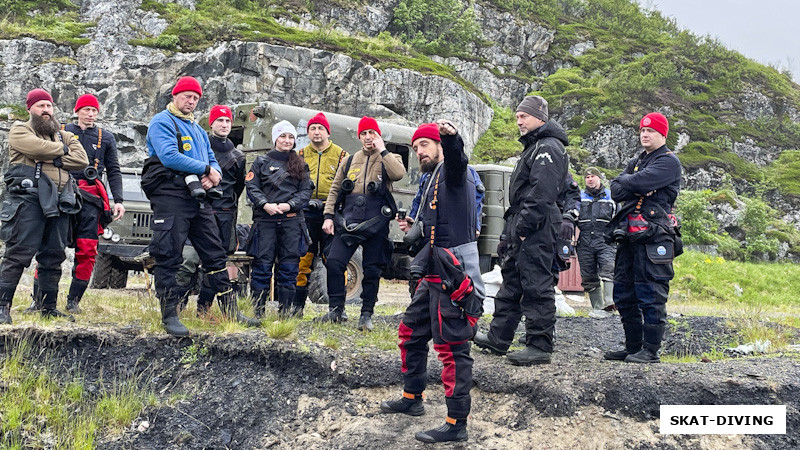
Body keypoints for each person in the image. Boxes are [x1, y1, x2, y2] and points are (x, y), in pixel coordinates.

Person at [380, 121, 483, 443]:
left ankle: (456, 424)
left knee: (452, 348)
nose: (420, 151)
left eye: (426, 144)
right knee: (410, 331)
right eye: (416, 147)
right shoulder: (430, 178)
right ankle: (412, 399)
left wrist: (452, 139)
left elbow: (458, 160)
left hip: (455, 275)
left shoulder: (455, 172)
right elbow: (433, 230)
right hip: (434, 271)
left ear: (439, 146)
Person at [142, 76, 259, 336]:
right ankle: (169, 314)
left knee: (215, 253)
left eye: (195, 98)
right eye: (187, 96)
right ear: (175, 96)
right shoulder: (162, 121)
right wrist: (206, 169)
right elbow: (170, 156)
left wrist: (212, 174)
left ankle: (231, 312)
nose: (191, 101)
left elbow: (210, 158)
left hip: (197, 198)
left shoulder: (196, 128)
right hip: (170, 193)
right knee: (169, 254)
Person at [473, 95, 569, 365]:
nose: (519, 121)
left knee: (536, 283)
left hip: (537, 224)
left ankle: (539, 345)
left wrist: (524, 227)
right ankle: (498, 338)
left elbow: (542, 193)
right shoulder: (534, 147)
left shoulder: (548, 147)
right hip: (524, 221)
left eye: (523, 116)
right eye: (517, 117)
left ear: (540, 117)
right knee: (512, 280)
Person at [0, 88, 88, 324]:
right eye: (41, 106)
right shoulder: (20, 130)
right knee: (18, 253)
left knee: (53, 255)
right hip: (28, 199)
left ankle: (47, 306)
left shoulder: (63, 135)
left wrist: (54, 156)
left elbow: (82, 159)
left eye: (49, 106)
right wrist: (62, 152)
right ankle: (2, 306)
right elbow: (36, 148)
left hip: (61, 201)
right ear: (30, 109)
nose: (46, 110)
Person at [603, 112, 682, 363]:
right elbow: (616, 190)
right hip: (628, 236)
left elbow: (634, 183)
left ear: (662, 134)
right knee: (624, 292)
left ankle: (651, 350)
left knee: (651, 292)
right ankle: (633, 347)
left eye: (651, 131)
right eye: (642, 131)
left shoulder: (669, 162)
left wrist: (631, 182)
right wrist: (631, 181)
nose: (645, 135)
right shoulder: (637, 161)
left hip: (655, 237)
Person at [317, 116, 406, 330]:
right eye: (364, 133)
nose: (368, 137)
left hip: (376, 222)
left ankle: (366, 314)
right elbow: (335, 190)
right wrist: (328, 216)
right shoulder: (348, 161)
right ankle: (336, 310)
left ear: (378, 135)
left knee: (372, 269)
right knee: (335, 262)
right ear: (359, 137)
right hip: (348, 220)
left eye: (372, 133)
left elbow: (399, 174)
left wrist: (382, 150)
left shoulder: (390, 157)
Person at [175, 104, 247, 315]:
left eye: (227, 121)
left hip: (225, 216)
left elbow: (238, 188)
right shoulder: (199, 147)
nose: (224, 125)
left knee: (215, 266)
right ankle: (177, 308)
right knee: (187, 261)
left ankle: (203, 309)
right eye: (220, 121)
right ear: (212, 123)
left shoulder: (238, 157)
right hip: (197, 210)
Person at [59, 94, 125, 313]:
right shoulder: (61, 131)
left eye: (94, 110)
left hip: (91, 200)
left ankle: (73, 301)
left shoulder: (105, 137)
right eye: (86, 109)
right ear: (77, 111)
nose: (90, 114)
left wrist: (119, 200)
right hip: (61, 195)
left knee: (87, 249)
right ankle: (41, 300)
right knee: (52, 246)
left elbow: (114, 170)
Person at [245, 120, 313, 318]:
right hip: (265, 221)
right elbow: (252, 187)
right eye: (283, 136)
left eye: (291, 137)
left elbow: (305, 192)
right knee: (262, 267)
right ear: (275, 138)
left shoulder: (301, 164)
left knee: (289, 269)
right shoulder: (260, 162)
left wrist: (288, 205)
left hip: (292, 222)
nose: (287, 140)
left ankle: (285, 315)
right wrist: (265, 204)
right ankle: (257, 313)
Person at [293, 112, 349, 318]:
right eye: (313, 128)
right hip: (306, 213)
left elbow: (348, 186)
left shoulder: (342, 156)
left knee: (334, 260)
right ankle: (296, 309)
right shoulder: (299, 155)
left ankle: (337, 310)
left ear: (328, 132)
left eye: (320, 129)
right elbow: (292, 185)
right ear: (308, 133)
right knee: (302, 260)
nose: (317, 132)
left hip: (332, 214)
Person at [576, 167, 618, 318]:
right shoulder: (579, 196)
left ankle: (609, 304)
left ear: (599, 178)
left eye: (593, 176)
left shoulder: (611, 196)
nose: (590, 179)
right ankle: (597, 308)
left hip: (606, 239)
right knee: (588, 276)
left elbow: (619, 218)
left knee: (608, 269)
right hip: (585, 241)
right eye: (587, 177)